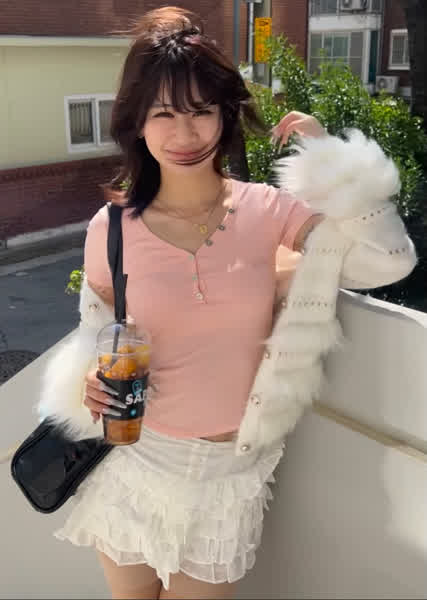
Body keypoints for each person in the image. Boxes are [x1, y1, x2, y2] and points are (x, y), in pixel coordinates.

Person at [37, 6, 417, 600]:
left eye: (201, 111)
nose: (185, 134)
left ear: (225, 113)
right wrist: (90, 378)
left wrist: (333, 163)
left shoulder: (270, 210)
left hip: (228, 476)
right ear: (137, 122)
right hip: (135, 460)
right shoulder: (110, 229)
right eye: (164, 114)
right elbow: (99, 334)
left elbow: (390, 261)